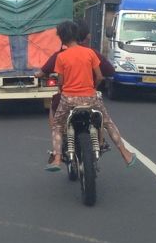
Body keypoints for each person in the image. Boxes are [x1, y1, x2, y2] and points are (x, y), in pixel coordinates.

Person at [46, 20, 139, 172]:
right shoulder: (90, 53)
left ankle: (57, 159)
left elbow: (61, 82)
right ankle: (125, 154)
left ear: (61, 38)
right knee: (107, 122)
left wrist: (64, 89)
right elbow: (100, 76)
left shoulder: (61, 57)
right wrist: (92, 88)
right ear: (77, 35)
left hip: (68, 99)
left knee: (57, 126)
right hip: (90, 98)